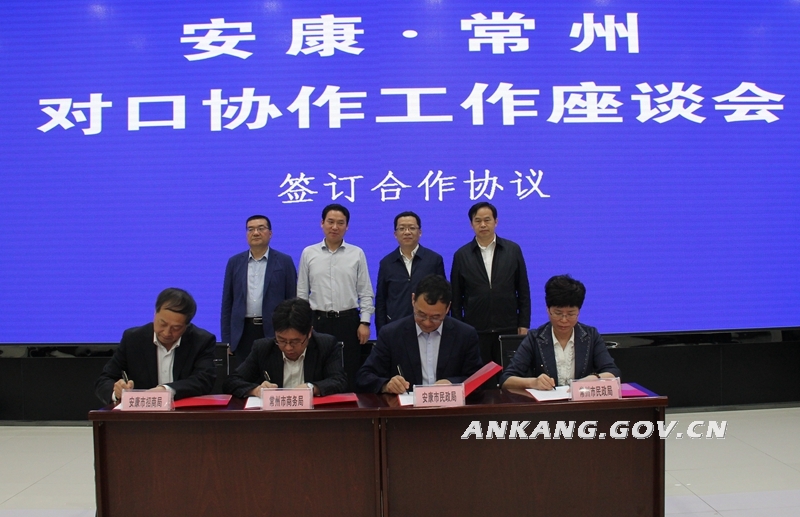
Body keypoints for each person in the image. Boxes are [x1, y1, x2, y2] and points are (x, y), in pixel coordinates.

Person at [357, 274, 484, 394]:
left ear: (447, 308)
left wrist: (453, 384)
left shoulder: (465, 334)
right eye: (421, 315)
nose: (427, 323)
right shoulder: (391, 334)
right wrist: (386, 385)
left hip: (450, 407)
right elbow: (364, 376)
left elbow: (478, 379)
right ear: (413, 300)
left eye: (435, 317)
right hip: (407, 407)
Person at [297, 203, 374, 391]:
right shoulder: (309, 253)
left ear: (347, 226)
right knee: (318, 370)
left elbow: (365, 291)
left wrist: (365, 322)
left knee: (349, 370)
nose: (335, 227)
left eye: (340, 223)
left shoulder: (357, 253)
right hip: (318, 322)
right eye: (330, 222)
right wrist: (304, 324)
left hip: (348, 321)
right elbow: (302, 293)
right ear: (322, 223)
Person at [95, 288, 216, 404]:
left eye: (176, 328)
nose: (166, 333)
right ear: (155, 314)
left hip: (185, 415)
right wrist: (116, 392)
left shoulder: (202, 341)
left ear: (186, 326)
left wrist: (166, 390)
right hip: (142, 415)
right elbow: (105, 379)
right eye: (162, 323)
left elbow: (203, 380)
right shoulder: (133, 339)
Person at [500, 275, 620, 390]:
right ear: (548, 310)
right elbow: (506, 380)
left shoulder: (591, 336)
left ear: (578, 311)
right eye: (558, 313)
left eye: (571, 314)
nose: (564, 320)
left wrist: (594, 378)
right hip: (548, 402)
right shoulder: (535, 338)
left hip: (581, 402)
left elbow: (613, 372)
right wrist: (533, 382)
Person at [451, 201, 531, 368]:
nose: (483, 225)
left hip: (508, 327)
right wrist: (460, 328)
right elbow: (456, 297)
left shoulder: (512, 250)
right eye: (478, 220)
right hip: (475, 330)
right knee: (479, 376)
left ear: (496, 221)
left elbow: (523, 290)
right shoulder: (462, 255)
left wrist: (523, 324)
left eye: (487, 220)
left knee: (509, 374)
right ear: (471, 224)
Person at [223, 298, 347, 398]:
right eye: (281, 340)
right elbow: (231, 382)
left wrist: (312, 388)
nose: (288, 348)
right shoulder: (263, 348)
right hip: (274, 418)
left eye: (295, 342)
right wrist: (256, 390)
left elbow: (339, 381)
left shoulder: (325, 345)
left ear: (309, 333)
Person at [221, 215, 297, 367]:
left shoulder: (284, 261)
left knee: (273, 374)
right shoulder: (234, 262)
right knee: (244, 376)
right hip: (242, 333)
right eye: (251, 229)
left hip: (273, 331)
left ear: (270, 233)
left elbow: (292, 299)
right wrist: (227, 340)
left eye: (261, 228)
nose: (255, 233)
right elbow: (227, 303)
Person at [375, 211, 445, 333]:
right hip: (396, 326)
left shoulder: (434, 259)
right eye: (402, 228)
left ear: (420, 232)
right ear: (395, 234)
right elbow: (381, 300)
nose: (407, 232)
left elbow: (443, 295)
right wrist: (381, 331)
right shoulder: (387, 263)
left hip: (428, 325)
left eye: (412, 228)